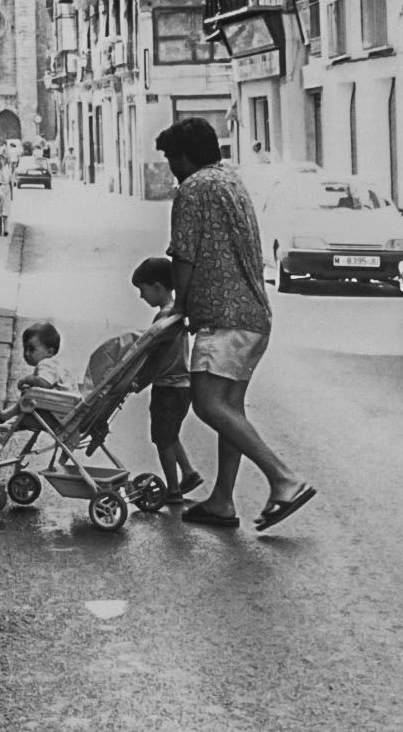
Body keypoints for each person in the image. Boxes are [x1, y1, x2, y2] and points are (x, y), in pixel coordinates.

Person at [156, 116, 315, 531]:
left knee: (208, 404)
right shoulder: (231, 182)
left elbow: (184, 256)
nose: (171, 166)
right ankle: (223, 499)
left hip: (222, 316)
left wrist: (180, 308)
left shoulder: (192, 190)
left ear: (187, 156)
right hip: (254, 313)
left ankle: (284, 478)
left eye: (173, 157)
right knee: (231, 408)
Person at [131, 256, 203, 505]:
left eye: (143, 290)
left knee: (162, 439)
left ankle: (173, 489)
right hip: (183, 387)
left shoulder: (162, 320)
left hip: (167, 387)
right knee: (170, 434)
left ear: (158, 287)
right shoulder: (176, 314)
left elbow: (156, 358)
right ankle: (189, 472)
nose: (142, 297)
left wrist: (139, 382)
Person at [0, 322, 75, 427]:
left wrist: (27, 380)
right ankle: (6, 416)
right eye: (25, 349)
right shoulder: (55, 364)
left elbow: (44, 383)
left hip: (59, 414)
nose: (26, 353)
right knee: (29, 395)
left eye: (31, 349)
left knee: (28, 397)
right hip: (65, 410)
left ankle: (4, 417)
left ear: (49, 352)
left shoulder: (47, 364)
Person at [0, 153, 13, 234]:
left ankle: (5, 229)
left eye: (2, 159)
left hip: (7, 189)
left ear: (4, 160)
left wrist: (12, 195)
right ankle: (0, 229)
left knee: (6, 210)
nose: (0, 161)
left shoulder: (7, 170)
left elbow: (11, 182)